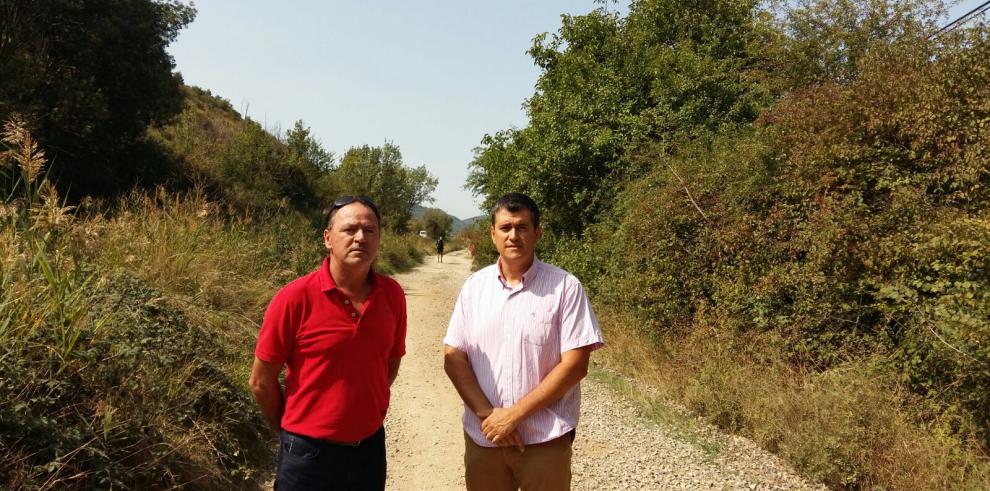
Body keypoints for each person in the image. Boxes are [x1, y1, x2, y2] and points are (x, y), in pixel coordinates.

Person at [443, 192, 604, 491]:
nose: (513, 235)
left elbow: (575, 366)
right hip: (485, 438)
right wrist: (490, 417)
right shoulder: (474, 288)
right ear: (492, 234)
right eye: (505, 228)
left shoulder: (565, 287)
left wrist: (514, 416)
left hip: (544, 441)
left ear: (537, 233)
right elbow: (453, 355)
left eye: (522, 227)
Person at [249, 195, 407, 491]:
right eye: (350, 230)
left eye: (370, 230)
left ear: (379, 238)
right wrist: (291, 432)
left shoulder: (392, 295)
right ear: (328, 238)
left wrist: (364, 410)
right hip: (308, 456)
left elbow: (390, 361)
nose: (360, 237)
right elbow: (260, 381)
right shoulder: (294, 298)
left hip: (369, 449)